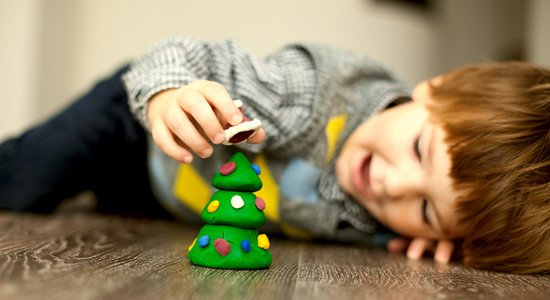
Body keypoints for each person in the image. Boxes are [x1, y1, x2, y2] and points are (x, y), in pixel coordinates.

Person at [0, 37, 548, 274]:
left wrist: (434, 244)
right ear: (435, 86)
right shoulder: (310, 95)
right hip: (132, 125)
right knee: (26, 182)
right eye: (418, 150)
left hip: (161, 196)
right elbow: (175, 54)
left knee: (102, 213)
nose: (394, 185)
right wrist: (169, 95)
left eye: (426, 209)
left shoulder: (394, 223)